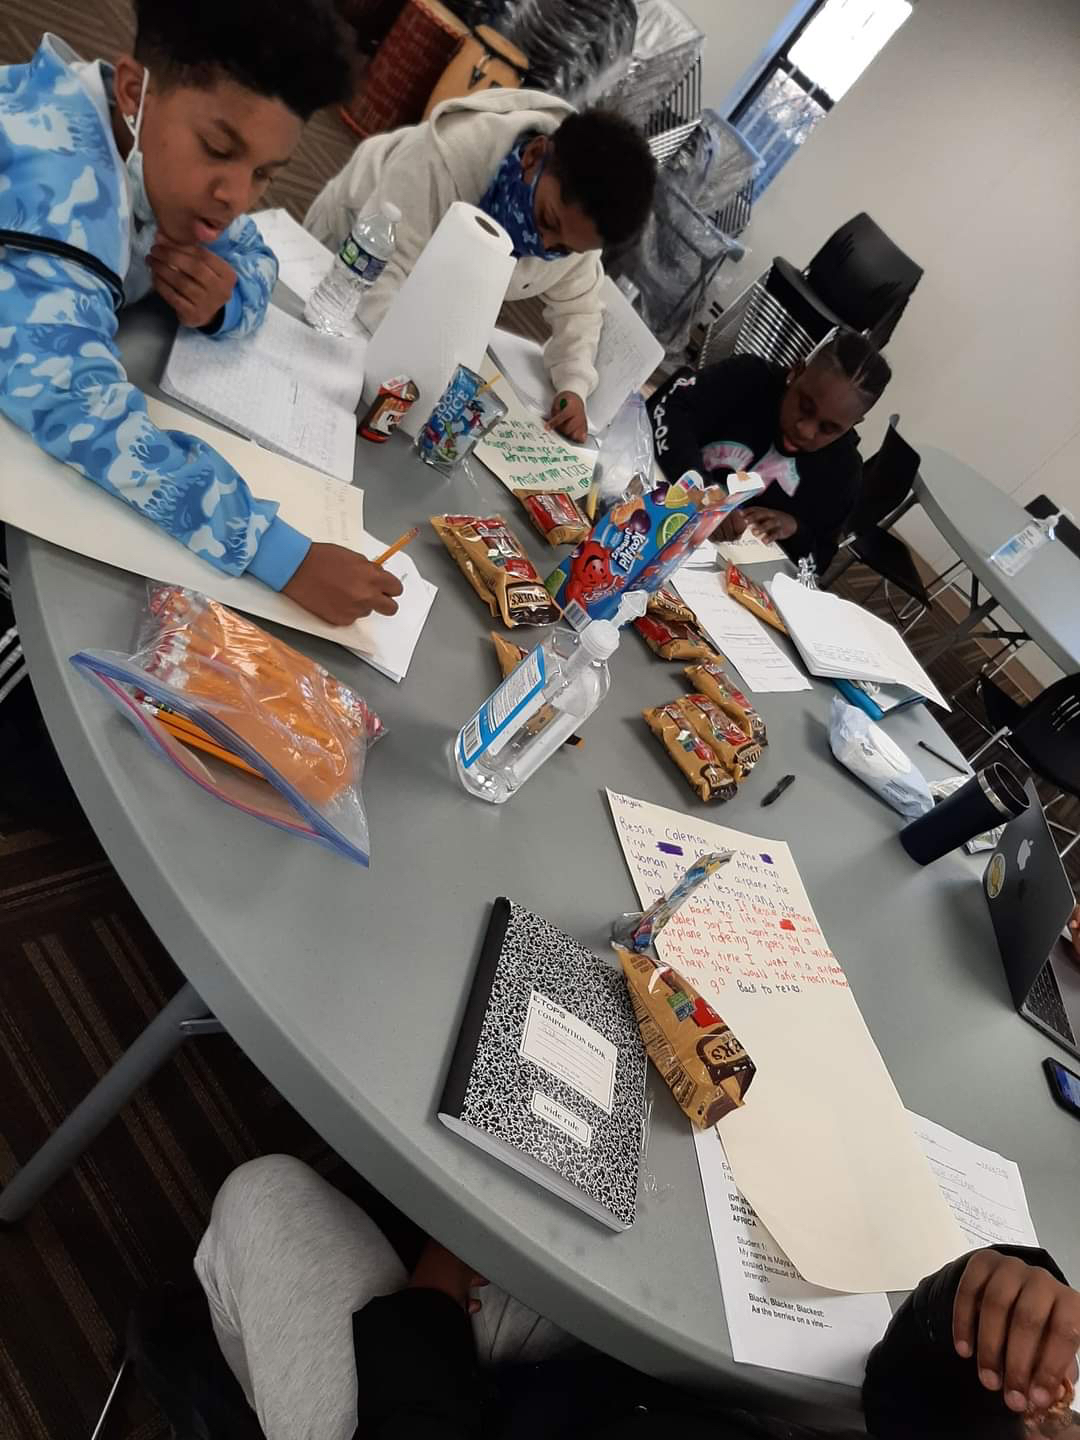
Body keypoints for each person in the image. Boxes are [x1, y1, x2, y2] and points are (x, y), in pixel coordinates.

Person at [190, 1154, 1079, 1440]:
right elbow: (905, 1409)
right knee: (634, 1191)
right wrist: (976, 1306)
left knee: (262, 1198)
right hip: (622, 1402)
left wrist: (440, 1280)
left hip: (453, 1414)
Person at [0, 0, 402, 627]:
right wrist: (283, 556)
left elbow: (256, 253)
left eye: (265, 174)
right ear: (133, 90)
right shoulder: (55, 197)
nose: (236, 196)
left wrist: (223, 303)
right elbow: (79, 409)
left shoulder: (151, 150)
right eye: (218, 149)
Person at [304, 96, 657, 444]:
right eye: (547, 220)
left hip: (432, 295)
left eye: (563, 249)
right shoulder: (446, 155)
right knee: (310, 387)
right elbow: (384, 275)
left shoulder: (576, 226)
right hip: (352, 253)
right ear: (534, 155)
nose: (543, 244)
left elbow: (579, 309)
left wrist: (573, 385)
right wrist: (421, 371)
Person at [646, 330, 892, 573]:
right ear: (796, 372)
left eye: (829, 429)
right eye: (805, 407)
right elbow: (665, 408)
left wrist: (796, 530)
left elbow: (820, 561)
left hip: (720, 569)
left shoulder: (843, 472)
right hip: (655, 504)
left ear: (853, 424)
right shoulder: (748, 377)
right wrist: (701, 489)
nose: (805, 431)